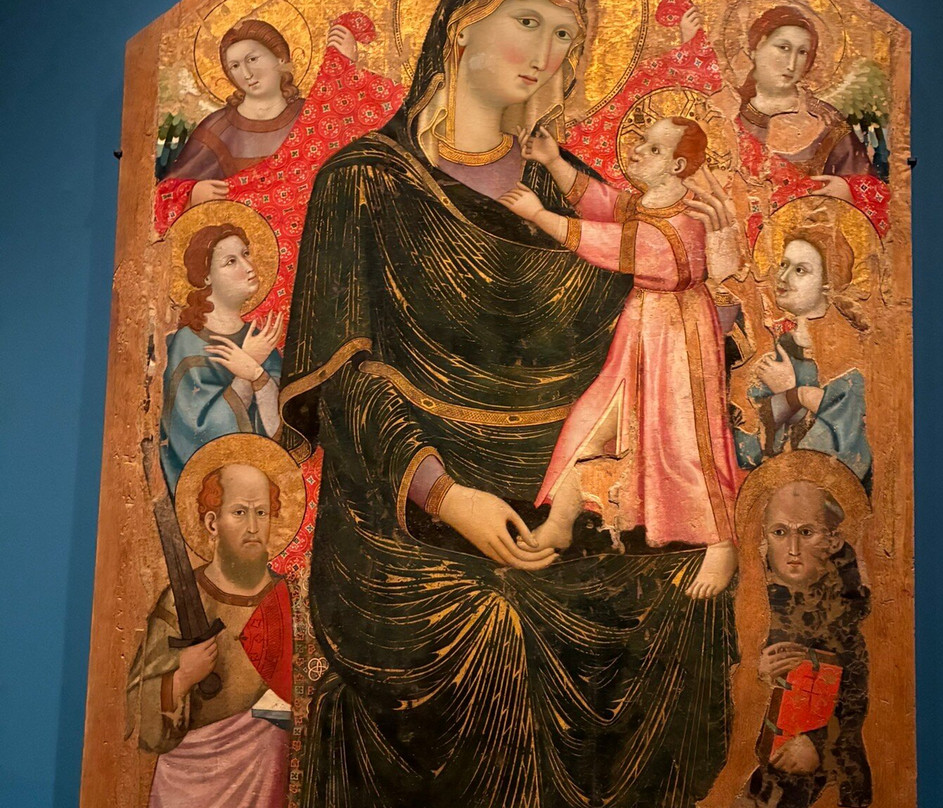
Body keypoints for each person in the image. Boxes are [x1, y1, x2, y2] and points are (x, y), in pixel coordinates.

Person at [280, 0, 739, 804]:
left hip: (571, 487)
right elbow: (347, 382)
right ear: (461, 24)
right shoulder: (364, 182)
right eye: (529, 21)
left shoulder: (570, 189)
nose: (548, 52)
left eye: (566, 36)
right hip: (408, 511)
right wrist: (446, 495)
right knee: (495, 625)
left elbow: (658, 342)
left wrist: (717, 278)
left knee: (682, 591)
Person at [499, 116, 740, 598]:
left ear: (677, 167)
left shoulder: (683, 219)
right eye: (641, 142)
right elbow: (607, 205)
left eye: (652, 148)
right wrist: (553, 161)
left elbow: (612, 244)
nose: (636, 150)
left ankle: (721, 542)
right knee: (593, 418)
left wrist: (538, 214)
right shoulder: (652, 202)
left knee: (687, 438)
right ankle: (561, 522)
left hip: (680, 338)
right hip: (641, 330)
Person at [126, 449, 296, 808]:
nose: (253, 527)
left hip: (267, 776)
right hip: (189, 783)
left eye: (262, 512)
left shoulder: (290, 599)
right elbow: (137, 709)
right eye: (240, 512)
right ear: (212, 523)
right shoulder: (179, 600)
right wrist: (181, 678)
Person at [741, 466, 871, 808]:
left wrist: (817, 744)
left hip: (823, 773)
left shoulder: (851, 613)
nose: (793, 548)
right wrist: (755, 676)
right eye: (780, 532)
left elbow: (856, 701)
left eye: (807, 532)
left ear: (833, 540)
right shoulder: (746, 608)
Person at [157, 19, 358, 218]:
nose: (246, 74)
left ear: (280, 59)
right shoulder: (216, 128)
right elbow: (163, 196)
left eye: (252, 59)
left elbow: (356, 140)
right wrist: (193, 194)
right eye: (235, 66)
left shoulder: (314, 113)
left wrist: (347, 68)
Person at [736, 207, 872, 491]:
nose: (783, 277)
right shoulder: (783, 348)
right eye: (783, 265)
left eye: (800, 270)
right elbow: (751, 447)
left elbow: (841, 452)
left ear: (827, 285)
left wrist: (794, 393)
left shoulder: (850, 353)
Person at [730, 5, 890, 243]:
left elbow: (873, 191)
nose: (791, 63)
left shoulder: (827, 122)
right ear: (756, 46)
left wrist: (848, 192)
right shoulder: (725, 112)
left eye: (802, 52)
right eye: (783, 48)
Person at [160, 223, 283, 492]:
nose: (248, 267)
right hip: (212, 490)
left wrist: (257, 374)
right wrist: (245, 374)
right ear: (206, 278)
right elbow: (197, 434)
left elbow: (281, 435)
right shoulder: (188, 344)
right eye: (231, 261)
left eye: (246, 254)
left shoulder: (261, 343)